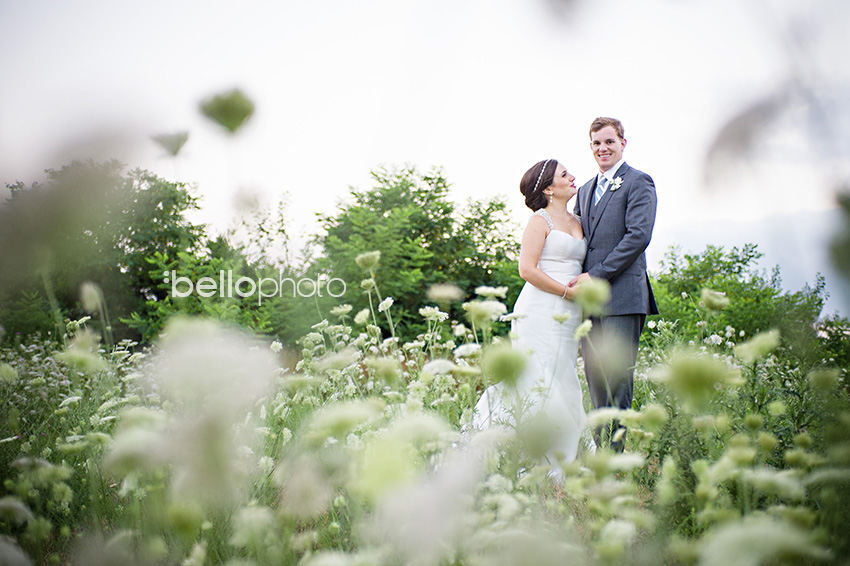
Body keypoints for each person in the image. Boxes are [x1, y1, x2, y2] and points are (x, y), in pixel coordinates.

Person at [473, 159, 588, 470]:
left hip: (570, 312)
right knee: (539, 377)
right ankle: (539, 457)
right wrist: (566, 291)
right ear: (549, 188)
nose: (573, 176)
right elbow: (527, 269)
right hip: (540, 309)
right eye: (565, 174)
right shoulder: (540, 221)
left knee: (563, 374)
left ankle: (564, 450)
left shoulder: (579, 220)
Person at [568, 117, 658, 451]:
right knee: (594, 378)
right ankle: (600, 453)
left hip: (623, 297)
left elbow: (638, 237)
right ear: (590, 147)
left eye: (609, 142)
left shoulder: (638, 182)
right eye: (596, 143)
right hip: (590, 302)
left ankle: (619, 457)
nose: (602, 148)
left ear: (622, 143)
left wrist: (597, 274)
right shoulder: (586, 190)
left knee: (619, 379)